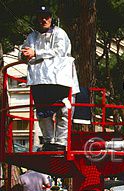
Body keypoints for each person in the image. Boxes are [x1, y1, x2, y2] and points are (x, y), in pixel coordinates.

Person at [20, 5, 79, 151]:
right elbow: (24, 52)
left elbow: (59, 51)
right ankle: (48, 141)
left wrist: (36, 53)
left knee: (63, 110)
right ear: (37, 18)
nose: (44, 20)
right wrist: (23, 55)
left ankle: (61, 142)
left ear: (51, 18)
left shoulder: (60, 33)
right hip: (40, 82)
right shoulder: (32, 37)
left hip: (62, 80)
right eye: (41, 17)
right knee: (43, 112)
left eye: (46, 16)